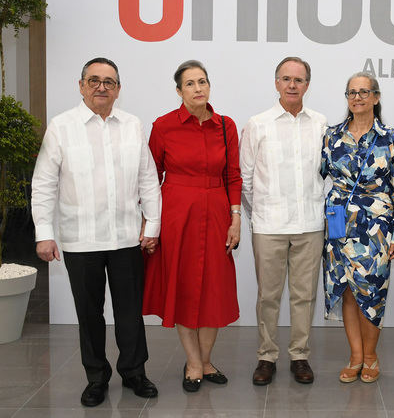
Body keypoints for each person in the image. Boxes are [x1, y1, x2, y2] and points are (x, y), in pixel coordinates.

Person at [31, 57, 161, 407]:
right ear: (81, 85)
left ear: (118, 89)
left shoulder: (132, 125)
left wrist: (152, 225)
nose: (101, 87)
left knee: (130, 310)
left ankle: (134, 372)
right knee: (89, 313)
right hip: (80, 239)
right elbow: (43, 183)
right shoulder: (62, 126)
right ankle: (96, 377)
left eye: (109, 81)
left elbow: (148, 179)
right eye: (94, 80)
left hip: (126, 237)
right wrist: (44, 232)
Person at [142, 60, 241, 392]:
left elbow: (233, 177)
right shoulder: (163, 126)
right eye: (190, 84)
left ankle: (206, 359)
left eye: (203, 82)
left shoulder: (226, 126)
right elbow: (150, 177)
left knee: (213, 290)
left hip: (216, 215)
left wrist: (236, 218)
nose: (198, 88)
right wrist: (150, 225)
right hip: (176, 215)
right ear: (178, 91)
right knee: (183, 287)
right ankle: (193, 361)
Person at [239, 56, 327, 385]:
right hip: (269, 225)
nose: (292, 85)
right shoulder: (258, 124)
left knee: (304, 295)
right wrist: (259, 211)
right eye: (286, 79)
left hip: (309, 224)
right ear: (276, 83)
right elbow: (245, 177)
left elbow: (327, 175)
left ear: (307, 85)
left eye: (299, 80)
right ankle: (267, 356)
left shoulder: (320, 124)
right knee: (268, 296)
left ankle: (299, 356)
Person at [321, 72, 394, 383]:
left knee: (371, 293)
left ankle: (371, 356)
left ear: (376, 97)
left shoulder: (392, 137)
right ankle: (355, 356)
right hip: (338, 225)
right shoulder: (331, 136)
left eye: (364, 92)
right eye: (351, 92)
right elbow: (319, 176)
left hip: (377, 228)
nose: (357, 97)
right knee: (347, 291)